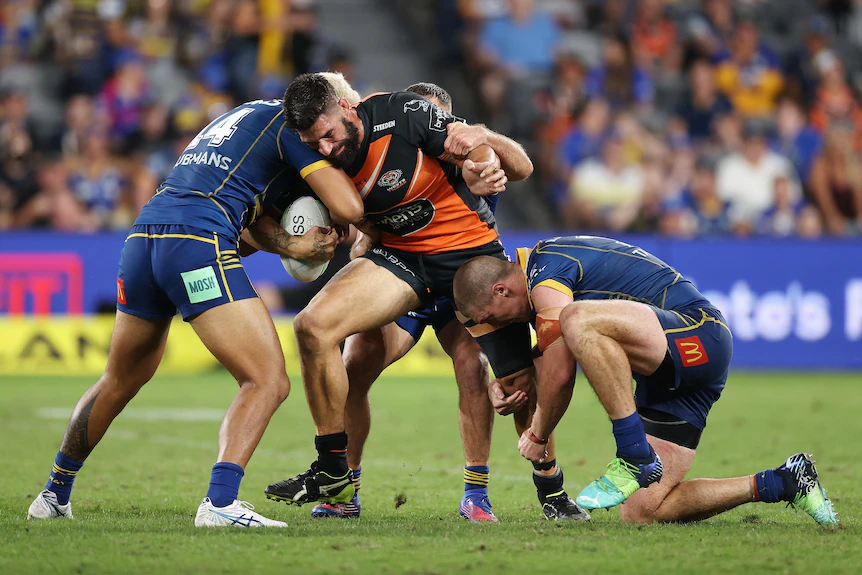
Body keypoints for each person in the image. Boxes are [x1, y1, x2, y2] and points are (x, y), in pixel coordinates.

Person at [26, 97, 364, 528]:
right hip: (196, 241)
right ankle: (220, 503)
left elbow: (248, 209)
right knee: (267, 380)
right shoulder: (290, 125)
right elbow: (348, 209)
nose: (323, 142)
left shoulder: (238, 119)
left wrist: (286, 241)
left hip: (144, 237)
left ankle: (54, 493)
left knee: (119, 378)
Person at [263, 73, 540, 523]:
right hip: (404, 265)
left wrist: (484, 152)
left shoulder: (411, 120)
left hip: (463, 273)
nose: (327, 149)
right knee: (336, 348)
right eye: (317, 143)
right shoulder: (320, 157)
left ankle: (498, 491)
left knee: (485, 371)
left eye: (330, 135)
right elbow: (344, 215)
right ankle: (339, 481)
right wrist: (337, 237)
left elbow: (495, 158)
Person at [452, 236, 838, 526]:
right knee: (642, 511)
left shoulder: (547, 270)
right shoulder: (545, 290)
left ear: (501, 290)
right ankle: (785, 481)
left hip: (698, 333)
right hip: (669, 376)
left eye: (496, 316)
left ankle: (634, 454)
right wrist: (502, 385)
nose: (503, 327)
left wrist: (537, 435)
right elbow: (553, 358)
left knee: (575, 319)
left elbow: (560, 374)